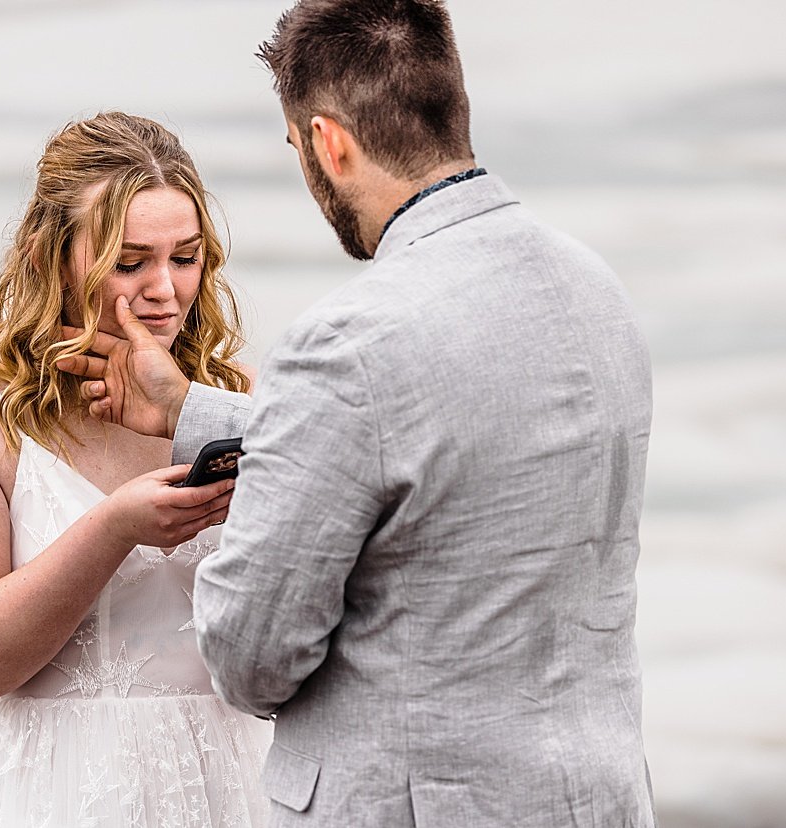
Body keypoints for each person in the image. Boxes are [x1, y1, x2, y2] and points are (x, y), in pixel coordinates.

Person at [60, 1, 657, 824]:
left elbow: (251, 657)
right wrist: (189, 409)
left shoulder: (346, 343)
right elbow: (445, 433)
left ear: (328, 142)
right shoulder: (597, 291)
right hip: (598, 799)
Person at [0, 111, 274, 826]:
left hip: (231, 786)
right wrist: (112, 528)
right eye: (129, 263)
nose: (165, 290)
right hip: (46, 792)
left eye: (185, 257)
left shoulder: (248, 404)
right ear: (48, 256)